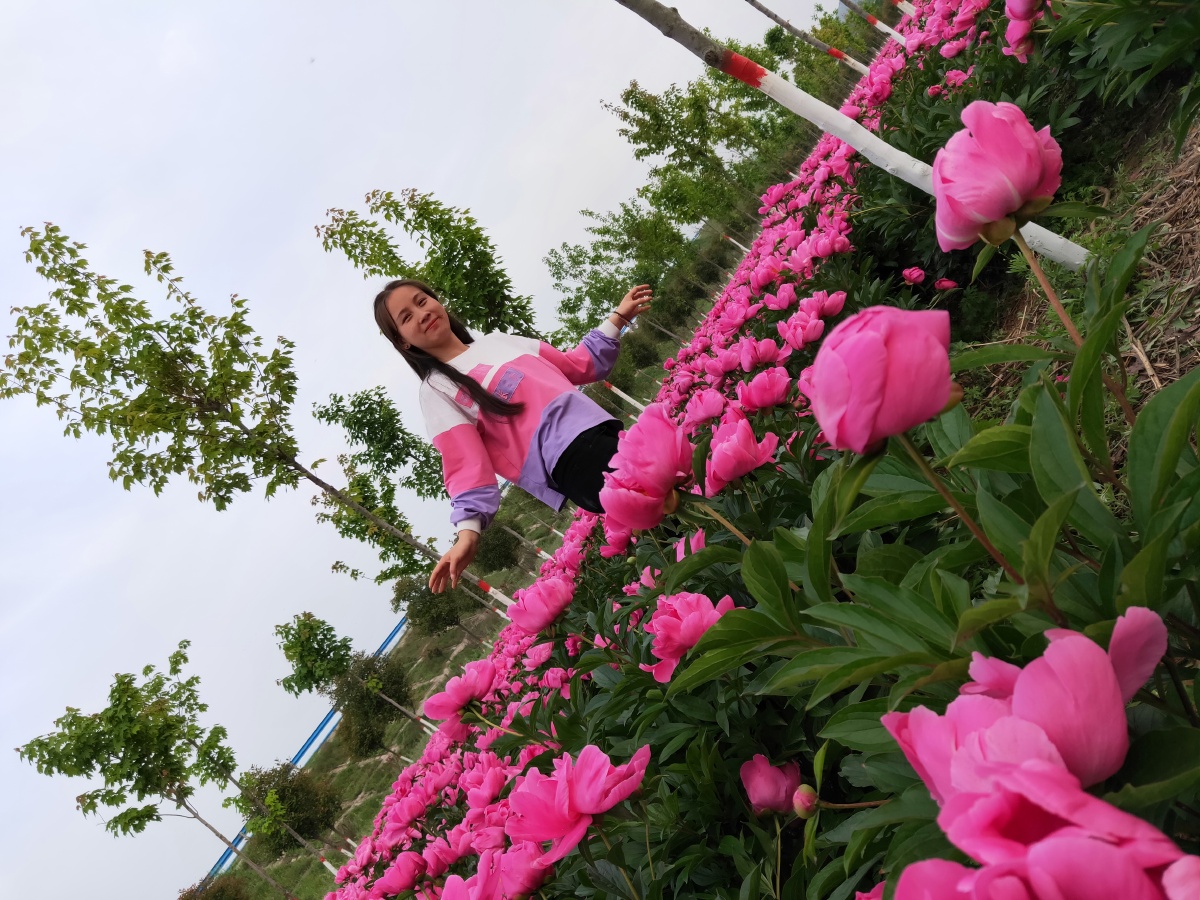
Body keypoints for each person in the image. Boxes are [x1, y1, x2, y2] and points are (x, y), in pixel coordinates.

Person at [373, 278, 653, 592]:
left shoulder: (498, 342)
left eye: (421, 301)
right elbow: (465, 463)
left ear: (437, 301)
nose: (422, 313)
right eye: (406, 317)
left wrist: (618, 318)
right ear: (403, 342)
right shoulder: (437, 390)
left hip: (602, 430)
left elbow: (575, 365)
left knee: (669, 511)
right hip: (573, 463)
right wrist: (467, 531)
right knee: (664, 508)